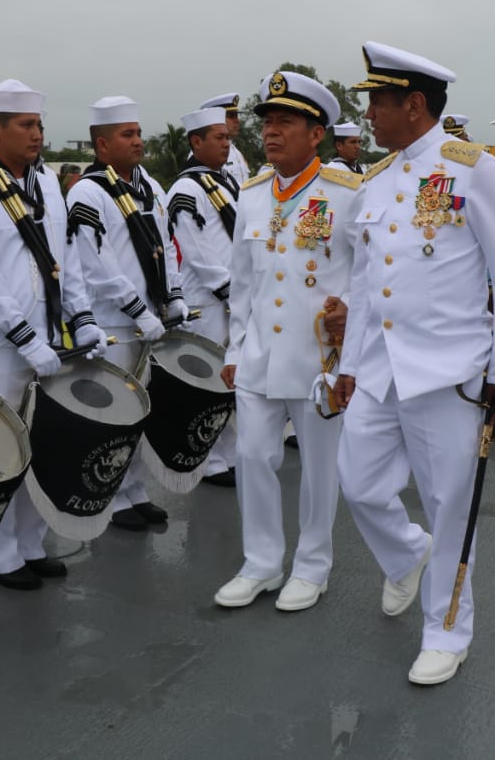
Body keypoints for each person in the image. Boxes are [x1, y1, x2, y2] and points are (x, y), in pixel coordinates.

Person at [333, 42, 495, 684]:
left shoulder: (474, 169)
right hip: (381, 366)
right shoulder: (377, 180)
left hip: (447, 369)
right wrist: (349, 364)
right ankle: (406, 554)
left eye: (377, 103)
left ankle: (447, 630)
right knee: (358, 482)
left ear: (414, 104)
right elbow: (365, 283)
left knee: (450, 506)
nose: (368, 116)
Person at [0, 79, 106, 589]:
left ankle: (30, 543)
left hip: (50, 339)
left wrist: (82, 318)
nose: (37, 134)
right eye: (26, 125)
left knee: (42, 446)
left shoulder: (47, 184)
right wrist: (25, 338)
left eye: (39, 124)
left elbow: (65, 257)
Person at [214, 70, 361, 613]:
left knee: (320, 469)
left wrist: (352, 318)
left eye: (286, 123)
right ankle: (261, 563)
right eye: (268, 122)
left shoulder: (346, 194)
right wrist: (234, 350)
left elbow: (367, 273)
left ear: (316, 134)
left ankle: (313, 565)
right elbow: (242, 284)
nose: (271, 132)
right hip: (259, 355)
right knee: (253, 456)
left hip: (317, 357)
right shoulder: (252, 195)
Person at [66, 96, 184, 531]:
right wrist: (136, 308)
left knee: (141, 412)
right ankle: (110, 498)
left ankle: (134, 490)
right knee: (114, 415)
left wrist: (173, 295)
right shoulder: (88, 191)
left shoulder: (148, 185)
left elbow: (165, 244)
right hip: (114, 321)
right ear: (102, 145)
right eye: (127, 134)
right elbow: (96, 263)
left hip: (150, 317)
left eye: (138, 132)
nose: (138, 141)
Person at [165, 106, 240, 487]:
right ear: (196, 141)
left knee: (230, 382)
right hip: (208, 301)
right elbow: (197, 251)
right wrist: (228, 290)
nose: (227, 144)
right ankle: (207, 462)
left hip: (232, 297)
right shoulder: (187, 188)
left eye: (227, 137)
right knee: (208, 382)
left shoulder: (223, 182)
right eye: (219, 137)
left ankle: (227, 454)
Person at [199, 93, 250, 186]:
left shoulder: (236, 152)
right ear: (215, 118)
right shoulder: (203, 152)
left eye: (236, 115)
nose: (237, 121)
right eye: (231, 116)